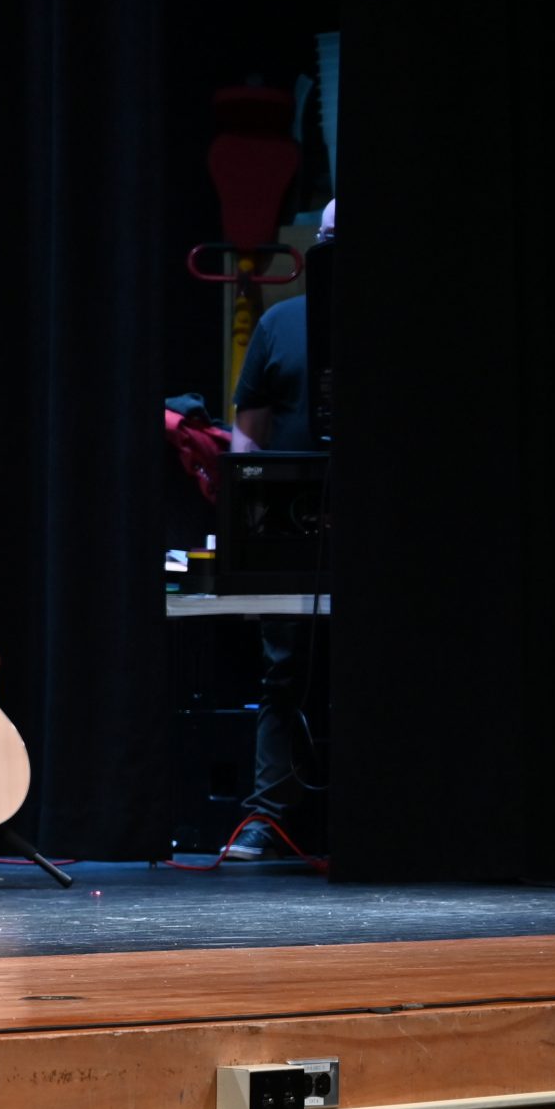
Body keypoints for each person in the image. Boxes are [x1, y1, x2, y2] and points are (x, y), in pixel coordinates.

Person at [225, 200, 333, 859]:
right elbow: (248, 433)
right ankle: (273, 813)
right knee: (282, 670)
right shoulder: (280, 322)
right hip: (294, 526)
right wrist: (248, 522)